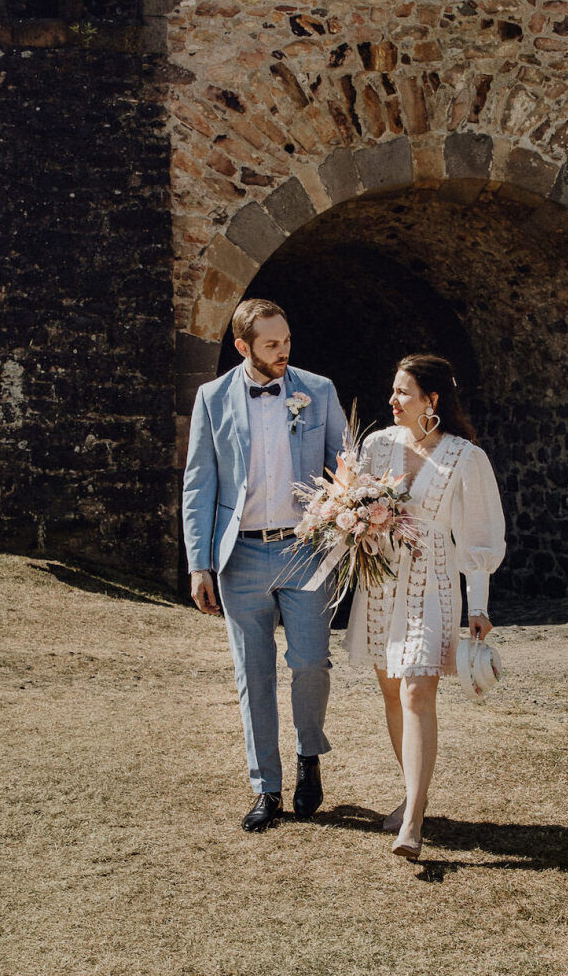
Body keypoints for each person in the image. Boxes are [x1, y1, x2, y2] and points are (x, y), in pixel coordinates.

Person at [183, 298, 347, 833]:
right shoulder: (211, 398)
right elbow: (199, 484)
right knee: (252, 676)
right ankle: (265, 788)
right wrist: (200, 564)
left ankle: (308, 757)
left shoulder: (317, 390)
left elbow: (345, 466)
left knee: (309, 664)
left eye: (287, 341)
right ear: (243, 346)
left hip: (305, 551)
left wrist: (349, 521)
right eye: (272, 344)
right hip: (241, 556)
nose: (283, 353)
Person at [344, 354, 506, 859]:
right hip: (380, 582)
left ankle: (411, 821)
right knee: (392, 693)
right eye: (392, 392)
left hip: (432, 583)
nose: (392, 401)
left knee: (417, 692)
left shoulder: (465, 457)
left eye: (403, 393)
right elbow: (352, 503)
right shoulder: (375, 446)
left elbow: (477, 535)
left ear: (431, 400)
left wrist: (477, 606)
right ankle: (415, 793)